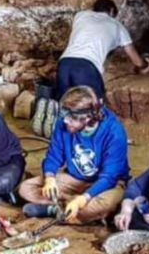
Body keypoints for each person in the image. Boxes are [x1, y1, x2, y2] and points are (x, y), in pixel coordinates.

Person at [18, 86, 129, 224]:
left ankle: (55, 209)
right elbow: (53, 156)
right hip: (75, 179)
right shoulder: (63, 123)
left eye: (71, 119)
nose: (65, 121)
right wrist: (50, 177)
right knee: (25, 188)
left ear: (88, 118)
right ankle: (71, 210)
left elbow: (109, 177)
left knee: (107, 203)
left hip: (106, 184)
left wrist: (83, 199)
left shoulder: (114, 132)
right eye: (65, 116)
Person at [54, 0, 149, 101]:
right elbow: (136, 60)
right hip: (86, 67)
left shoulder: (81, 16)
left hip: (64, 64)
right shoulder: (118, 26)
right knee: (96, 107)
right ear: (112, 11)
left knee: (64, 104)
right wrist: (144, 65)